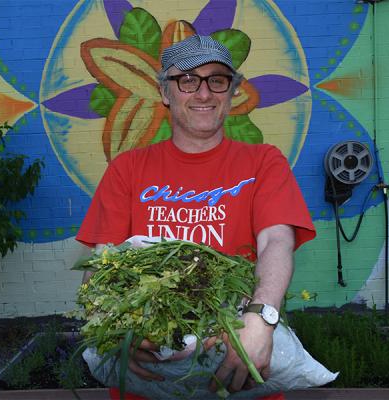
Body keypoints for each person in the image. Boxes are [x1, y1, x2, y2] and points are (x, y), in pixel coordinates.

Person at [76, 34, 316, 396]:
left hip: (236, 344)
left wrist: (261, 317)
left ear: (231, 92)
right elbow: (102, 261)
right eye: (187, 80)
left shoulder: (264, 162)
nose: (203, 94)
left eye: (217, 80)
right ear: (164, 92)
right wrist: (113, 320)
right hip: (150, 366)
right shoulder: (127, 169)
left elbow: (276, 241)